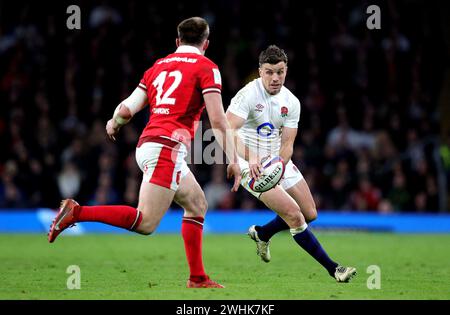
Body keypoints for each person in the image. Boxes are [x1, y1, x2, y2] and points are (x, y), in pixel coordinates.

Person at [48, 17, 241, 289]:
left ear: (177, 42)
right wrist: (233, 159)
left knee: (197, 204)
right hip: (167, 149)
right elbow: (218, 120)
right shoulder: (207, 67)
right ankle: (77, 213)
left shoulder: (157, 67)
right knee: (145, 222)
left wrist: (114, 122)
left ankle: (197, 278)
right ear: (206, 44)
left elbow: (127, 109)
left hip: (148, 144)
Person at [226, 45, 356, 282]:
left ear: (286, 70)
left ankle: (263, 233)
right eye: (269, 72)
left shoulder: (292, 102)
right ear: (259, 71)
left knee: (310, 212)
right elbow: (227, 130)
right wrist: (252, 157)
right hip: (248, 164)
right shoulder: (247, 95)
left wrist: (279, 164)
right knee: (296, 216)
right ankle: (334, 269)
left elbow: (287, 144)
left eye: (280, 71)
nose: (275, 78)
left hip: (276, 160)